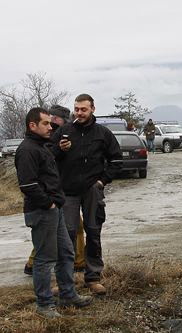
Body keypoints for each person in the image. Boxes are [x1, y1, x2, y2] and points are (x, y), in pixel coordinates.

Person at [15, 107, 93, 318]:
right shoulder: (28, 149)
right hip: (42, 212)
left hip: (53, 210)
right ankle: (44, 305)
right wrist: (49, 204)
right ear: (32, 126)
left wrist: (54, 205)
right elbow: (28, 185)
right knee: (44, 259)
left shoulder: (41, 147)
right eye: (45, 124)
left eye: (50, 123)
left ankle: (67, 295)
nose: (51, 127)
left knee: (66, 253)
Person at [50, 94, 122, 295]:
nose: (79, 113)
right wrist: (59, 149)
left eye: (83, 109)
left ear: (93, 109)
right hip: (68, 192)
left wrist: (100, 183)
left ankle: (93, 278)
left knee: (93, 231)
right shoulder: (64, 131)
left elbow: (116, 161)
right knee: (66, 236)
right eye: (76, 109)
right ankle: (65, 281)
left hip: (92, 190)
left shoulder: (102, 133)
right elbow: (47, 156)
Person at [24, 105, 86, 276]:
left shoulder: (48, 137)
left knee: (73, 229)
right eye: (48, 122)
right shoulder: (37, 143)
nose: (51, 125)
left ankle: (78, 262)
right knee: (51, 238)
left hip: (60, 191)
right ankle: (34, 267)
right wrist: (49, 203)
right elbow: (30, 182)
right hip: (51, 197)